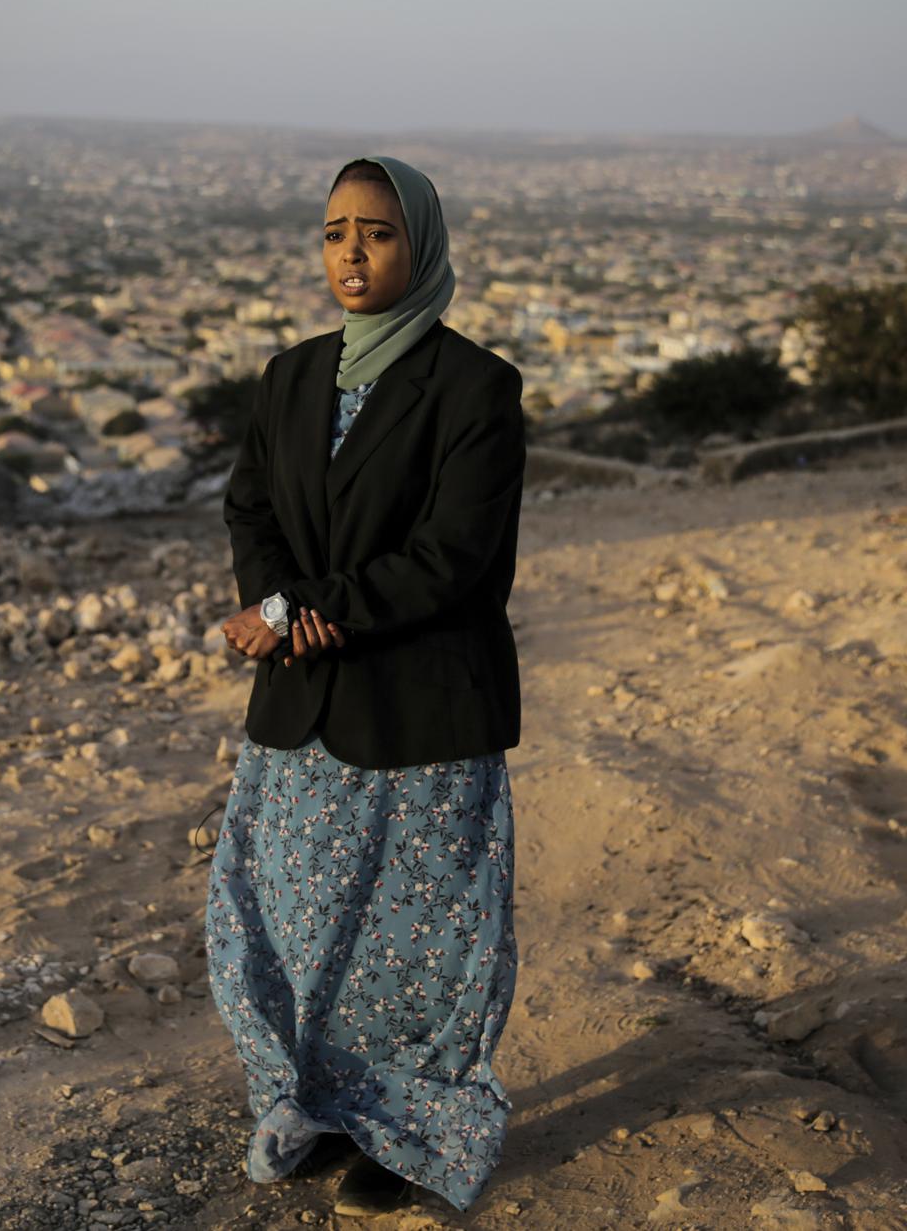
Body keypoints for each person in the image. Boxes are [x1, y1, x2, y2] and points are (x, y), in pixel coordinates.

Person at [206, 154, 525, 1218]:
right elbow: (249, 509)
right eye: (335, 229)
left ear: (419, 246)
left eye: (377, 232)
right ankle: (323, 1106)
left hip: (422, 706)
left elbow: (454, 554)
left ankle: (418, 1128)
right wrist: (269, 600)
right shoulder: (289, 376)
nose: (351, 250)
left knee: (422, 937)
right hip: (304, 706)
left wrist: (302, 611)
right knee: (288, 919)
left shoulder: (475, 387)